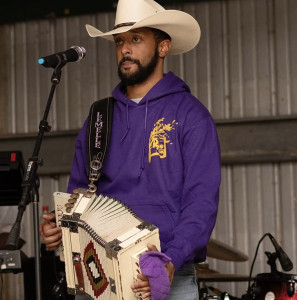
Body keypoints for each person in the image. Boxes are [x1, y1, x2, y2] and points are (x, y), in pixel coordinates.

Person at [41, 0, 221, 299]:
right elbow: (79, 197)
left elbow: (201, 203)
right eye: (119, 41)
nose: (125, 49)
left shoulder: (191, 115)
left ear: (163, 47)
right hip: (101, 272)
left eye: (136, 39)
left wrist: (172, 260)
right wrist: (61, 231)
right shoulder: (99, 118)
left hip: (165, 270)